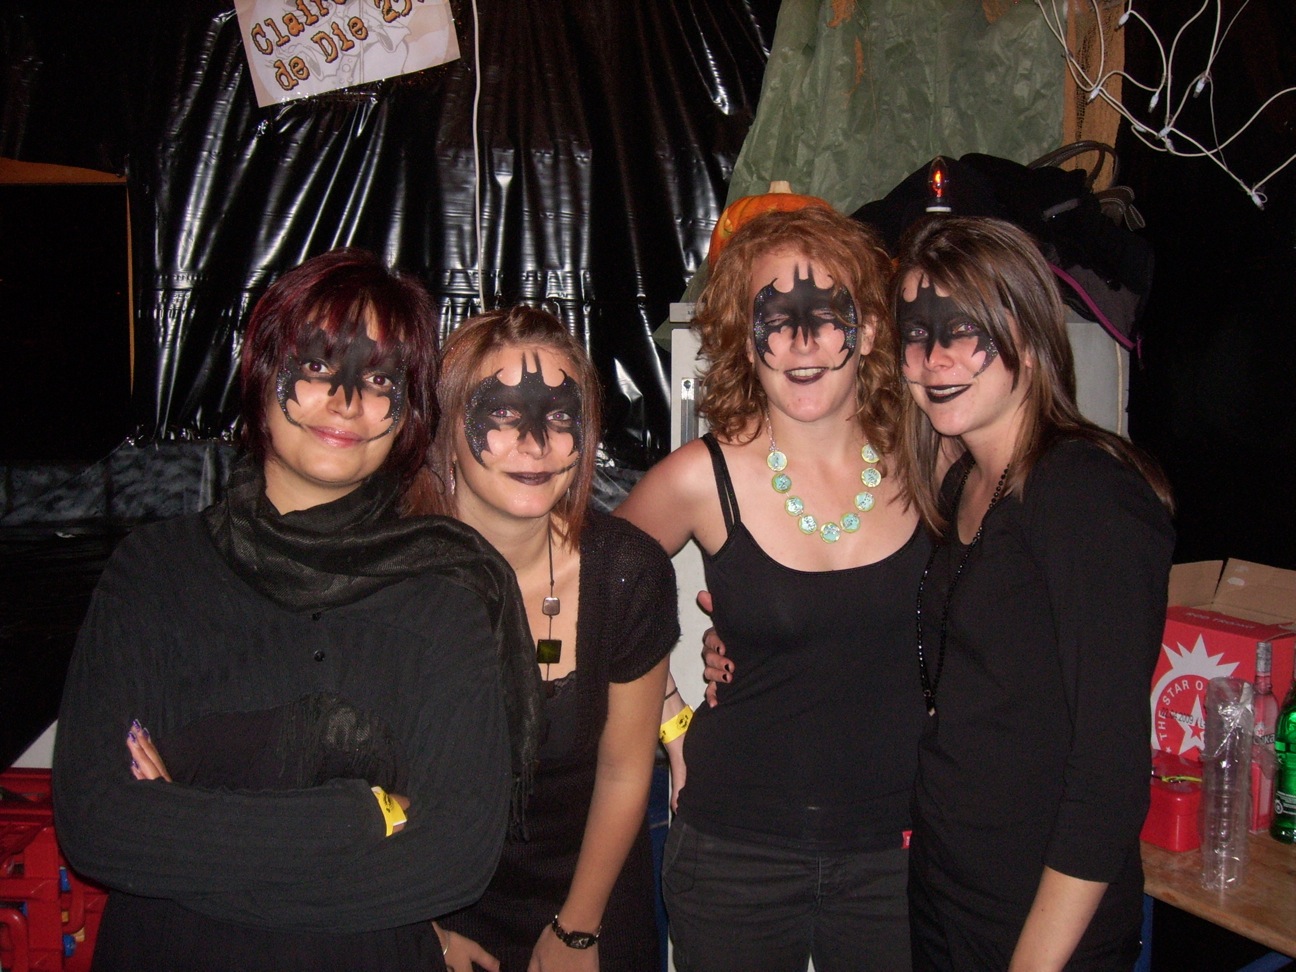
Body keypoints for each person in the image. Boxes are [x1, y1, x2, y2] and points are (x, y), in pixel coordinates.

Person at [51, 248, 542, 972]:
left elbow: (453, 861)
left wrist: (183, 831)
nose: (346, 402)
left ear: (408, 412)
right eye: (316, 366)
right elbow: (96, 822)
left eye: (380, 380)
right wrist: (361, 814)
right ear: (261, 374)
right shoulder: (154, 571)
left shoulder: (446, 592)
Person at [616, 205, 929, 971]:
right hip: (734, 857)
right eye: (775, 319)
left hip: (901, 853)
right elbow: (592, 590)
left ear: (871, 329)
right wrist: (671, 719)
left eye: (826, 313)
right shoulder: (701, 477)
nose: (801, 340)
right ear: (742, 338)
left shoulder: (931, 463)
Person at [891, 217, 1174, 970]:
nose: (936, 358)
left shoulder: (1086, 495)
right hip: (945, 894)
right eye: (916, 334)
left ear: (1028, 331)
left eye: (964, 329)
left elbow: (1109, 777)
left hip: (1040, 925)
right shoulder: (963, 483)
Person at [425, 307, 678, 972]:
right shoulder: (394, 577)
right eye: (504, 414)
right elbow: (364, 781)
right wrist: (424, 931)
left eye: (561, 416)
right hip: (436, 914)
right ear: (448, 428)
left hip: (590, 909)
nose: (536, 444)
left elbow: (624, 770)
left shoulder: (626, 572)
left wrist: (577, 930)